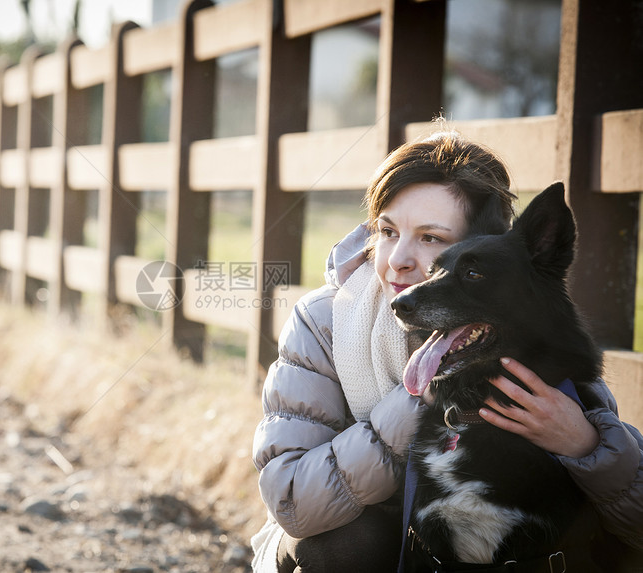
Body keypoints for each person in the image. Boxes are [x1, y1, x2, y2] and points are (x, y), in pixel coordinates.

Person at [250, 129, 643, 572]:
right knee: (347, 546)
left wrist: (585, 445)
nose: (398, 258)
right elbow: (293, 502)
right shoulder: (324, 321)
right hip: (364, 544)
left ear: (484, 247)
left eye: (432, 238)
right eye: (387, 230)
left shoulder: (540, 340)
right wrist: (410, 413)